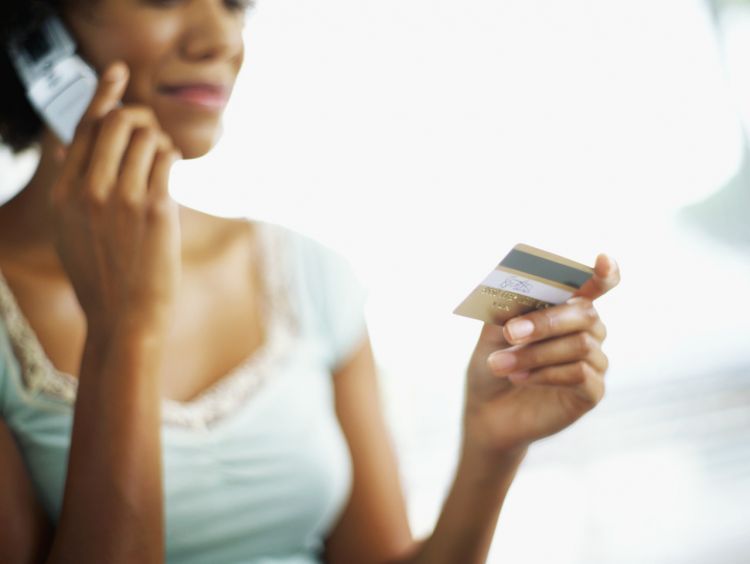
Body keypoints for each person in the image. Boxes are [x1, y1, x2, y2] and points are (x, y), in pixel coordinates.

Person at [0, 1, 621, 563]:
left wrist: (491, 450)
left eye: (232, 3)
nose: (221, 38)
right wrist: (123, 329)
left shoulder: (305, 274)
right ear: (36, 32)